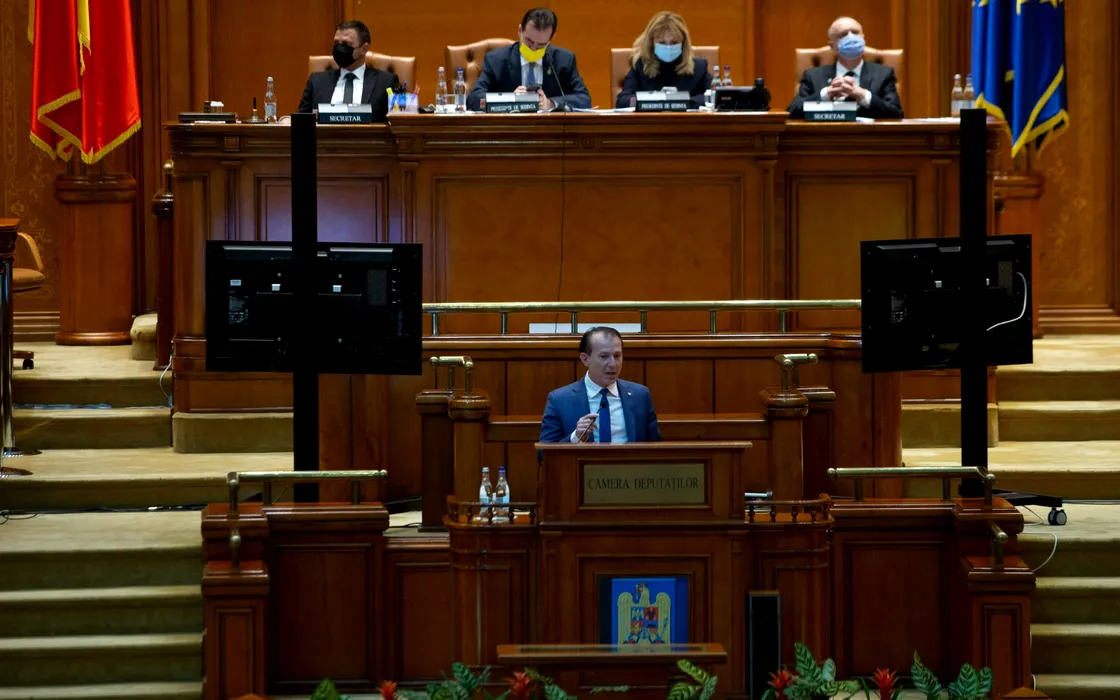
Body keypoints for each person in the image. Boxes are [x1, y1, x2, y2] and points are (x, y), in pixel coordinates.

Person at [539, 327, 661, 443]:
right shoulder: (560, 400)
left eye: (617, 356)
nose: (613, 364)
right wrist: (575, 437)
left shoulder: (640, 395)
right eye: (604, 356)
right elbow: (543, 452)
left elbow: (656, 448)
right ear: (585, 359)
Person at [466, 8, 591, 112]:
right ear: (520, 31)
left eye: (541, 45)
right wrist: (509, 99)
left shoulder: (564, 60)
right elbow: (473, 100)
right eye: (529, 41)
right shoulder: (496, 60)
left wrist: (551, 103)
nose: (533, 49)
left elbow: (584, 99)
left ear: (550, 40)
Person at [786, 16, 903, 120]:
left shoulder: (883, 74)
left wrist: (863, 95)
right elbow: (792, 113)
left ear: (863, 39)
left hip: (868, 136)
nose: (851, 37)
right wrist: (826, 94)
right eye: (843, 35)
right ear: (832, 46)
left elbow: (897, 115)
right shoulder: (813, 76)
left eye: (855, 32)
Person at [297, 20, 399, 121]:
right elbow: (300, 119)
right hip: (326, 132)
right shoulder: (317, 81)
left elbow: (398, 121)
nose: (339, 48)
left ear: (364, 49)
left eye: (346, 44)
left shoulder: (386, 82)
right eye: (337, 43)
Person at [615, 11, 712, 110]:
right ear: (651, 43)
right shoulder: (640, 65)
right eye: (662, 42)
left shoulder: (699, 67)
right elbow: (622, 101)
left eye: (674, 42)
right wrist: (651, 100)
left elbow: (714, 98)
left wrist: (682, 101)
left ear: (683, 43)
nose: (668, 47)